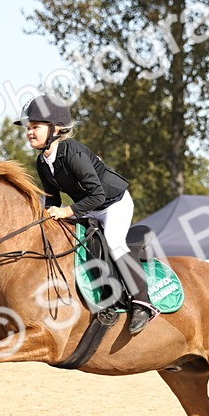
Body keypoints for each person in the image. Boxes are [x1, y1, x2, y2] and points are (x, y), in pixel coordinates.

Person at [14, 94, 158, 334]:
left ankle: (143, 302)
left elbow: (98, 195)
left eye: (35, 127)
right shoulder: (42, 161)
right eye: (28, 128)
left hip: (114, 203)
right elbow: (53, 198)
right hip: (89, 206)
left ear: (56, 129)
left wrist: (67, 211)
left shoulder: (74, 153)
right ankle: (104, 298)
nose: (29, 132)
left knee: (114, 242)